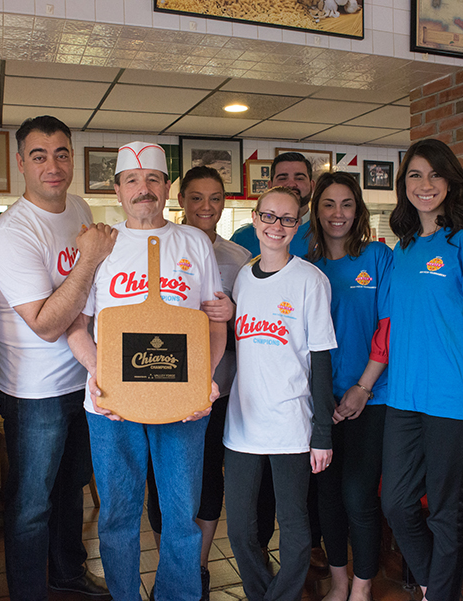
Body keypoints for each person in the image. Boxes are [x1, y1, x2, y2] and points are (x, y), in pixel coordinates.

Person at [66, 142, 228, 601]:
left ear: (167, 188)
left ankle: (177, 595)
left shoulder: (193, 242)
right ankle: (124, 595)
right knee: (118, 512)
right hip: (110, 405)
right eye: (133, 181)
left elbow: (215, 319)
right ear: (117, 189)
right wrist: (102, 377)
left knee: (180, 514)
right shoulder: (101, 244)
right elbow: (77, 323)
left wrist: (204, 376)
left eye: (154, 179)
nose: (144, 189)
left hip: (183, 403)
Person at [0, 115, 115, 600]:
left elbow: (93, 293)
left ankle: (67, 574)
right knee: (31, 502)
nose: (52, 165)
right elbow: (44, 323)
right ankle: (29, 592)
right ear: (21, 163)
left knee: (70, 489)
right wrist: (89, 259)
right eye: (39, 155)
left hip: (79, 379)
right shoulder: (12, 233)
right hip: (34, 391)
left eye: (61, 153)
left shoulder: (77, 206)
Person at [381, 138, 463, 601]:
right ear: (404, 185)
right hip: (404, 398)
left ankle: (439, 594)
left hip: (454, 401)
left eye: (435, 174)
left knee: (445, 514)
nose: (425, 184)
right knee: (395, 502)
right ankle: (438, 584)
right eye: (415, 175)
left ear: (451, 180)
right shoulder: (405, 246)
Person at [223, 186, 337, 601]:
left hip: (292, 423)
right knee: (239, 526)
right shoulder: (242, 278)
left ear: (298, 225)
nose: (276, 226)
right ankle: (260, 594)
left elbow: (321, 361)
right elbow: (242, 346)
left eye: (287, 219)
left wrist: (322, 433)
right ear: (254, 219)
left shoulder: (311, 281)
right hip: (242, 423)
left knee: (293, 525)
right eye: (268, 217)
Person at [144, 166, 249, 598]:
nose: (207, 207)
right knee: (161, 480)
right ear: (180, 200)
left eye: (216, 198)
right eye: (196, 197)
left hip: (218, 387)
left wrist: (232, 313)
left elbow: (252, 325)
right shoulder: (162, 247)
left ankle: (198, 566)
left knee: (207, 479)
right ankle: (172, 563)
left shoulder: (240, 259)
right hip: (163, 385)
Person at [305, 172, 392, 601]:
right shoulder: (305, 265)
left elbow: (388, 328)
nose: (337, 214)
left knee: (358, 494)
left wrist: (362, 388)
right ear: (316, 211)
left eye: (346, 204)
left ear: (357, 210)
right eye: (328, 205)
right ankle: (339, 585)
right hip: (321, 401)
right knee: (328, 497)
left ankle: (362, 587)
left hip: (371, 397)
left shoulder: (378, 257)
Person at [230, 152, 315, 258]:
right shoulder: (243, 238)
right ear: (270, 186)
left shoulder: (326, 235)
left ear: (312, 186)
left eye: (299, 178)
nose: (291, 184)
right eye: (283, 178)